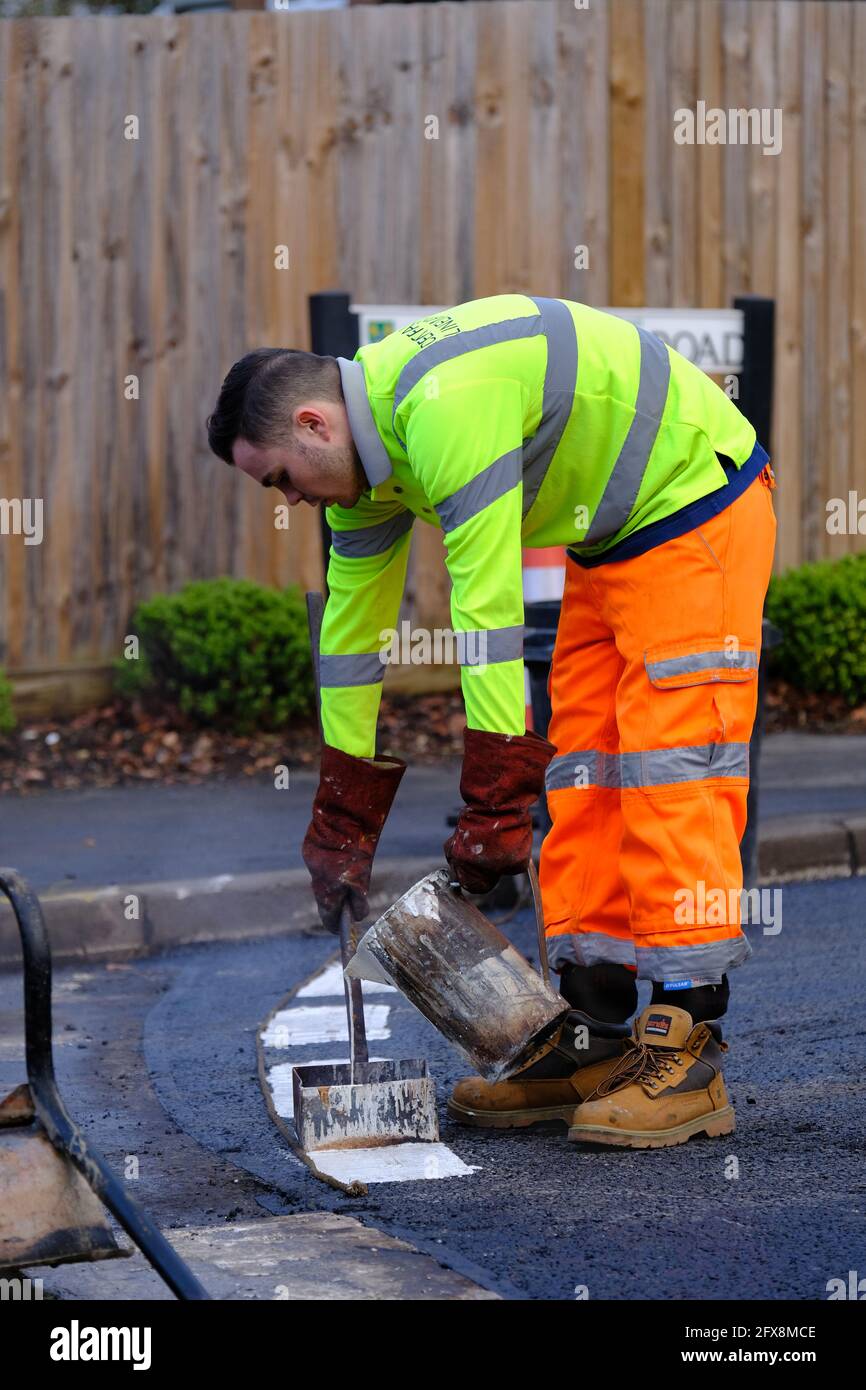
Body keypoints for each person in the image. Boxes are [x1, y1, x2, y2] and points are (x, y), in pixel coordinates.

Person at [207, 294, 777, 1149]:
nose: (287, 501)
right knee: (583, 775)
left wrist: (492, 808)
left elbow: (484, 617)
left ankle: (688, 1048)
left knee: (669, 770)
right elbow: (352, 644)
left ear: (317, 424)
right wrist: (342, 821)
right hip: (613, 546)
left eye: (279, 478)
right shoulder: (367, 473)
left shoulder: (443, 404)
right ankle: (594, 1033)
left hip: (697, 510)